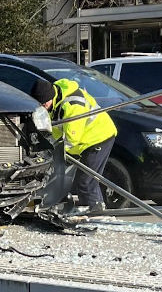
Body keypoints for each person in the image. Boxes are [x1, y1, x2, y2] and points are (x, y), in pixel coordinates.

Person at [31, 77, 118, 215]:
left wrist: (58, 154)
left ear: (50, 98)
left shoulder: (73, 106)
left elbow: (72, 139)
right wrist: (49, 146)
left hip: (98, 137)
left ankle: (94, 211)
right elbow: (57, 129)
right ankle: (88, 208)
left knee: (86, 181)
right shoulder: (55, 100)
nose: (43, 107)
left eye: (44, 104)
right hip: (85, 139)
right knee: (80, 179)